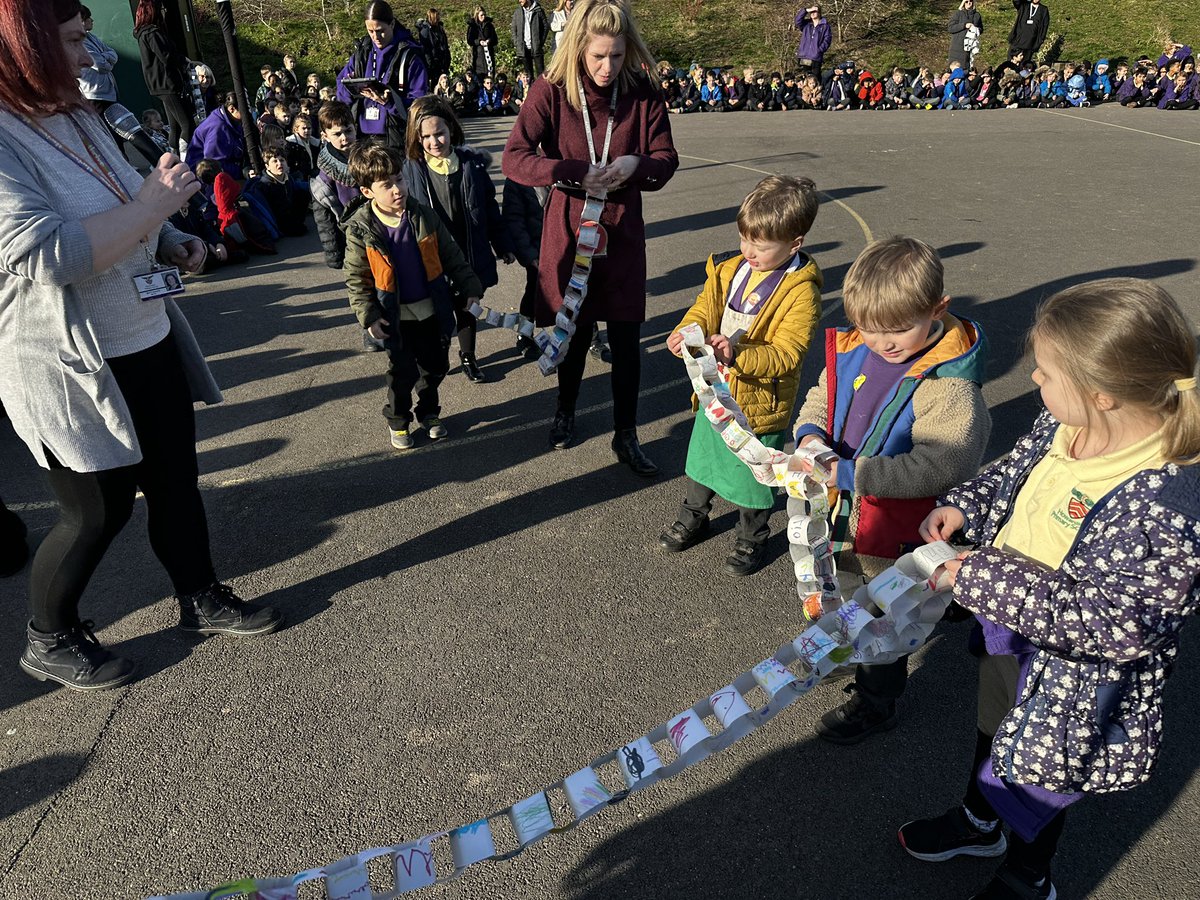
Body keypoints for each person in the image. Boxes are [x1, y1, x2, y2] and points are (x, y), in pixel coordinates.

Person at [0, 0, 281, 692]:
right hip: (68, 363)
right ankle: (48, 634)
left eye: (89, 35)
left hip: (143, 334)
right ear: (25, 45)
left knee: (174, 483)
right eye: (72, 38)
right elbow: (50, 254)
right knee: (97, 511)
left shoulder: (78, 114)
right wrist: (154, 209)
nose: (91, 52)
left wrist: (171, 238)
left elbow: (127, 200)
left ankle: (200, 595)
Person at [898, 278, 1200, 900]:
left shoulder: (1171, 502)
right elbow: (1015, 475)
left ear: (1103, 395)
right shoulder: (1066, 423)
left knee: (1042, 769)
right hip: (1010, 624)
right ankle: (981, 820)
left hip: (1073, 671)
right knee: (996, 728)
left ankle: (1030, 875)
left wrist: (976, 575)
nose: (1034, 381)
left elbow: (1115, 622)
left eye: (1044, 372)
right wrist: (966, 507)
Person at [792, 237, 989, 743]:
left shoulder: (949, 386)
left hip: (894, 527)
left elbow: (940, 463)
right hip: (840, 508)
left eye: (899, 328)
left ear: (937, 309)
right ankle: (844, 649)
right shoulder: (857, 346)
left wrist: (855, 475)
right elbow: (823, 395)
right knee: (839, 586)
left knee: (886, 616)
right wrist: (811, 434)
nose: (883, 343)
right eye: (871, 329)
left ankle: (877, 700)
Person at [501, 0, 679, 470]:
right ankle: (565, 411)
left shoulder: (641, 90)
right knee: (574, 334)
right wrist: (572, 170)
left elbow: (666, 159)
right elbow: (514, 158)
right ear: (578, 47)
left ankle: (626, 434)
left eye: (617, 56)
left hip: (620, 234)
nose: (607, 67)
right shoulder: (551, 89)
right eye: (598, 56)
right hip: (570, 227)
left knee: (625, 338)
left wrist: (636, 165)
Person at [660, 176, 822, 576]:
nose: (748, 250)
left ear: (794, 244)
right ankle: (693, 515)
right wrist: (686, 330)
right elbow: (704, 307)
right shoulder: (730, 269)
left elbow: (787, 353)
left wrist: (738, 354)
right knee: (702, 461)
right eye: (744, 238)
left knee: (755, 473)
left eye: (761, 245)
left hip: (759, 403)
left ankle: (752, 537)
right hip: (714, 390)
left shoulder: (800, 291)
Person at [344, 142, 483, 450]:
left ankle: (429, 413)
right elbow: (356, 279)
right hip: (395, 316)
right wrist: (368, 315)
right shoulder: (361, 230)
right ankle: (399, 419)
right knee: (401, 372)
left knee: (435, 367)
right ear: (368, 192)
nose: (397, 189)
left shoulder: (423, 215)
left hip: (431, 309)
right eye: (387, 185)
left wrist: (470, 287)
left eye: (400, 179)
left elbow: (451, 255)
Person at [402, 97, 513, 383]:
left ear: (451, 128)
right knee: (438, 313)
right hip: (432, 256)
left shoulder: (471, 165)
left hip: (469, 252)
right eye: (425, 136)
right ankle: (437, 360)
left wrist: (502, 245)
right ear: (416, 138)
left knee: (468, 307)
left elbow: (489, 207)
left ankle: (468, 357)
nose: (434, 141)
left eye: (439, 133)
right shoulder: (411, 170)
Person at [336, 0, 429, 149]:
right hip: (361, 137)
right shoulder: (362, 53)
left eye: (380, 30)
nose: (376, 36)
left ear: (392, 24)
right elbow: (340, 86)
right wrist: (349, 87)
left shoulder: (411, 57)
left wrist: (390, 102)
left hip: (396, 138)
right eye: (370, 31)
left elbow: (419, 103)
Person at [133, 0, 195, 152]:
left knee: (174, 126)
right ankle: (185, 158)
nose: (163, 11)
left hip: (160, 85)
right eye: (160, 8)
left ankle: (173, 157)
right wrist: (184, 61)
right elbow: (166, 56)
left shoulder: (143, 33)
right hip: (167, 84)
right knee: (187, 125)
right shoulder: (152, 33)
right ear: (152, 11)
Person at [310, 101, 359, 271]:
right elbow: (325, 218)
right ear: (325, 136)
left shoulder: (368, 157)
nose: (344, 137)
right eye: (337, 134)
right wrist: (335, 254)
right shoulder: (325, 173)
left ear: (355, 128)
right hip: (350, 238)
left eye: (348, 131)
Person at [503, 176, 548, 360]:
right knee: (534, 291)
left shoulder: (566, 162)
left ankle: (592, 337)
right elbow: (514, 219)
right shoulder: (517, 177)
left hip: (569, 246)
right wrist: (529, 255)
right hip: (538, 250)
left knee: (578, 289)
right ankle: (525, 335)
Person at [185, 92, 246, 180]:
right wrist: (242, 172)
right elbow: (213, 165)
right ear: (232, 109)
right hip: (204, 179)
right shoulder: (218, 128)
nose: (248, 113)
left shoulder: (230, 120)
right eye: (244, 110)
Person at [78, 5, 117, 108]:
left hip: (109, 93)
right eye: (88, 18)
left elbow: (113, 53)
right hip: (94, 95)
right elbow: (100, 66)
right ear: (81, 21)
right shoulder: (80, 42)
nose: (92, 20)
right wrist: (107, 59)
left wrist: (104, 56)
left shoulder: (92, 37)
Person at [512, 0, 551, 80]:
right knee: (528, 75)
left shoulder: (538, 10)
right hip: (524, 48)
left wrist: (540, 42)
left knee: (541, 74)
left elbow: (545, 26)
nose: (520, 1)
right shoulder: (517, 12)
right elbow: (513, 29)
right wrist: (517, 43)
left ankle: (541, 91)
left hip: (536, 47)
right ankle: (530, 91)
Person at [794, 5, 831, 82]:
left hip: (816, 57)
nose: (813, 13)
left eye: (815, 11)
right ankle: (806, 94)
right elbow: (797, 21)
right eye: (811, 12)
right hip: (804, 55)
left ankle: (817, 93)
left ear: (819, 13)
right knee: (806, 79)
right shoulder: (806, 24)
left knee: (816, 78)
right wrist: (806, 10)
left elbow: (827, 39)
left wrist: (819, 50)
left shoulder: (825, 26)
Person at [417, 9, 452, 85]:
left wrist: (448, 58)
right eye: (437, 16)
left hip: (443, 61)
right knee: (435, 85)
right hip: (434, 64)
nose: (439, 18)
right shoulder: (425, 31)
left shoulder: (440, 28)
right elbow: (425, 49)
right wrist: (430, 64)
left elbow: (445, 44)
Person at [286, 114, 321, 183]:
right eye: (303, 128)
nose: (307, 131)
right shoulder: (292, 144)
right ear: (296, 129)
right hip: (299, 177)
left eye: (309, 128)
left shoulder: (314, 143)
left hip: (312, 173)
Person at [948, 0, 983, 69]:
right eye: (966, 1)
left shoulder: (977, 15)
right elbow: (950, 28)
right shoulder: (958, 14)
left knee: (966, 68)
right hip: (957, 47)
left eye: (970, 1)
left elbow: (981, 28)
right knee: (955, 69)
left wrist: (976, 30)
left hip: (969, 47)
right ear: (963, 3)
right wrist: (964, 25)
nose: (969, 3)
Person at [467, 7, 499, 81]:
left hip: (489, 57)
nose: (483, 17)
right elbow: (470, 40)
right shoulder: (472, 27)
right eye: (481, 15)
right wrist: (479, 42)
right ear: (477, 15)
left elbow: (495, 39)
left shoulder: (489, 25)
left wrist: (489, 40)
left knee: (490, 78)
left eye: (484, 15)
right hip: (478, 57)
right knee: (479, 79)